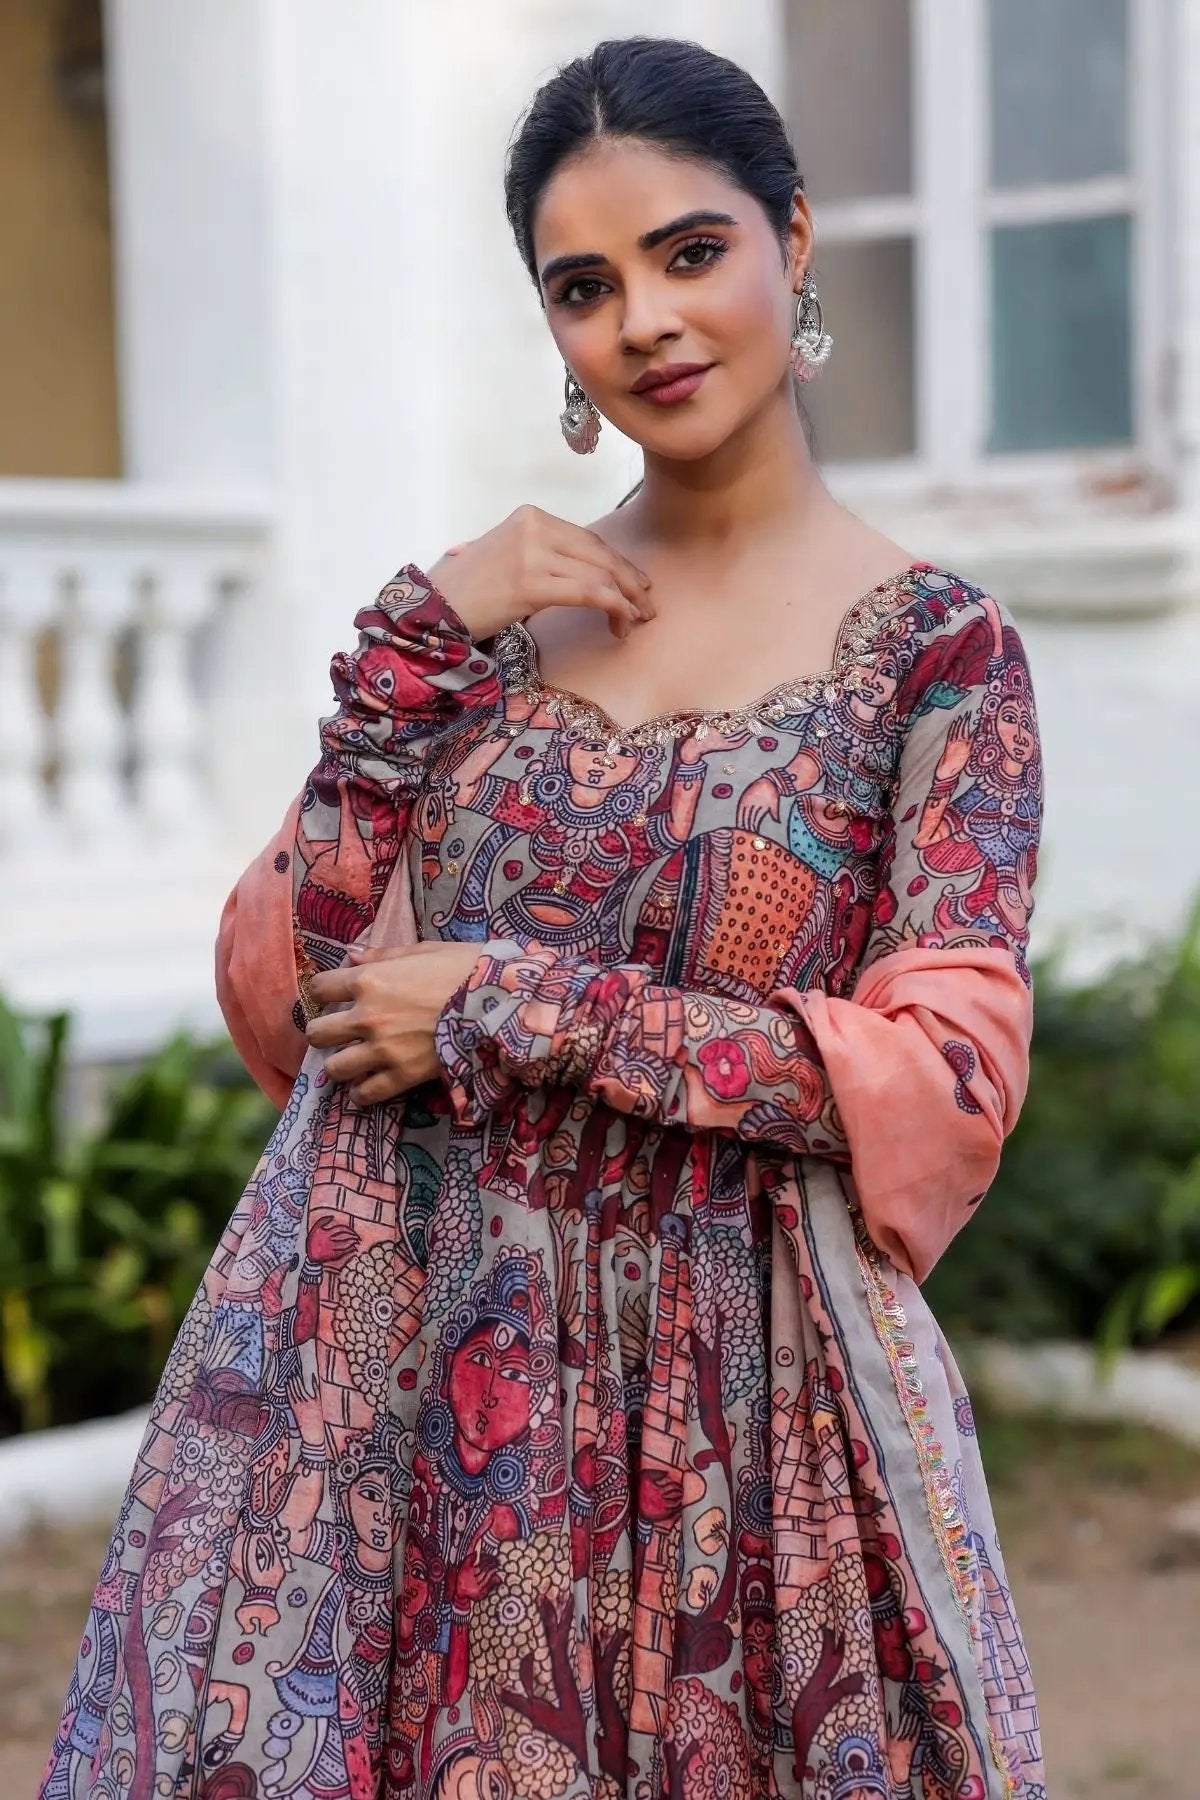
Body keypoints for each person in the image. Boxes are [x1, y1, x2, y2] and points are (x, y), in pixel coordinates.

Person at [41, 35, 1046, 1800]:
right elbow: (303, 1005)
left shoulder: (939, 662)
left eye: (689, 252)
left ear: (793, 241)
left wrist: (522, 1003)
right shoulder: (490, 638)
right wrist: (409, 646)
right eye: (585, 287)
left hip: (746, 1403)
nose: (646, 321)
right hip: (415, 1377)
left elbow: (938, 1085)